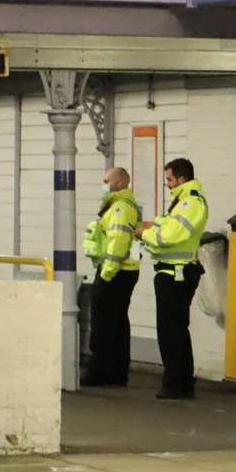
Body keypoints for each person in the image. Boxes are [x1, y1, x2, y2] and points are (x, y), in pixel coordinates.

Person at [140, 157, 208, 400]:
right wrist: (155, 223)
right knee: (174, 331)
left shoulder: (190, 203)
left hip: (176, 274)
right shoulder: (183, 201)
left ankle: (177, 384)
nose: (167, 184)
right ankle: (180, 381)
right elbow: (169, 224)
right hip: (173, 273)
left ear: (181, 178)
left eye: (169, 179)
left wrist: (144, 233)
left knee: (172, 333)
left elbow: (169, 236)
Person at [81, 166, 141, 387]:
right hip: (124, 271)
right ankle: (116, 372)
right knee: (117, 322)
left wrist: (105, 275)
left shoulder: (120, 208)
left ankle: (99, 371)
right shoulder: (123, 205)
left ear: (119, 183)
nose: (103, 183)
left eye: (106, 179)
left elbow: (117, 243)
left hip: (115, 271)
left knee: (103, 323)